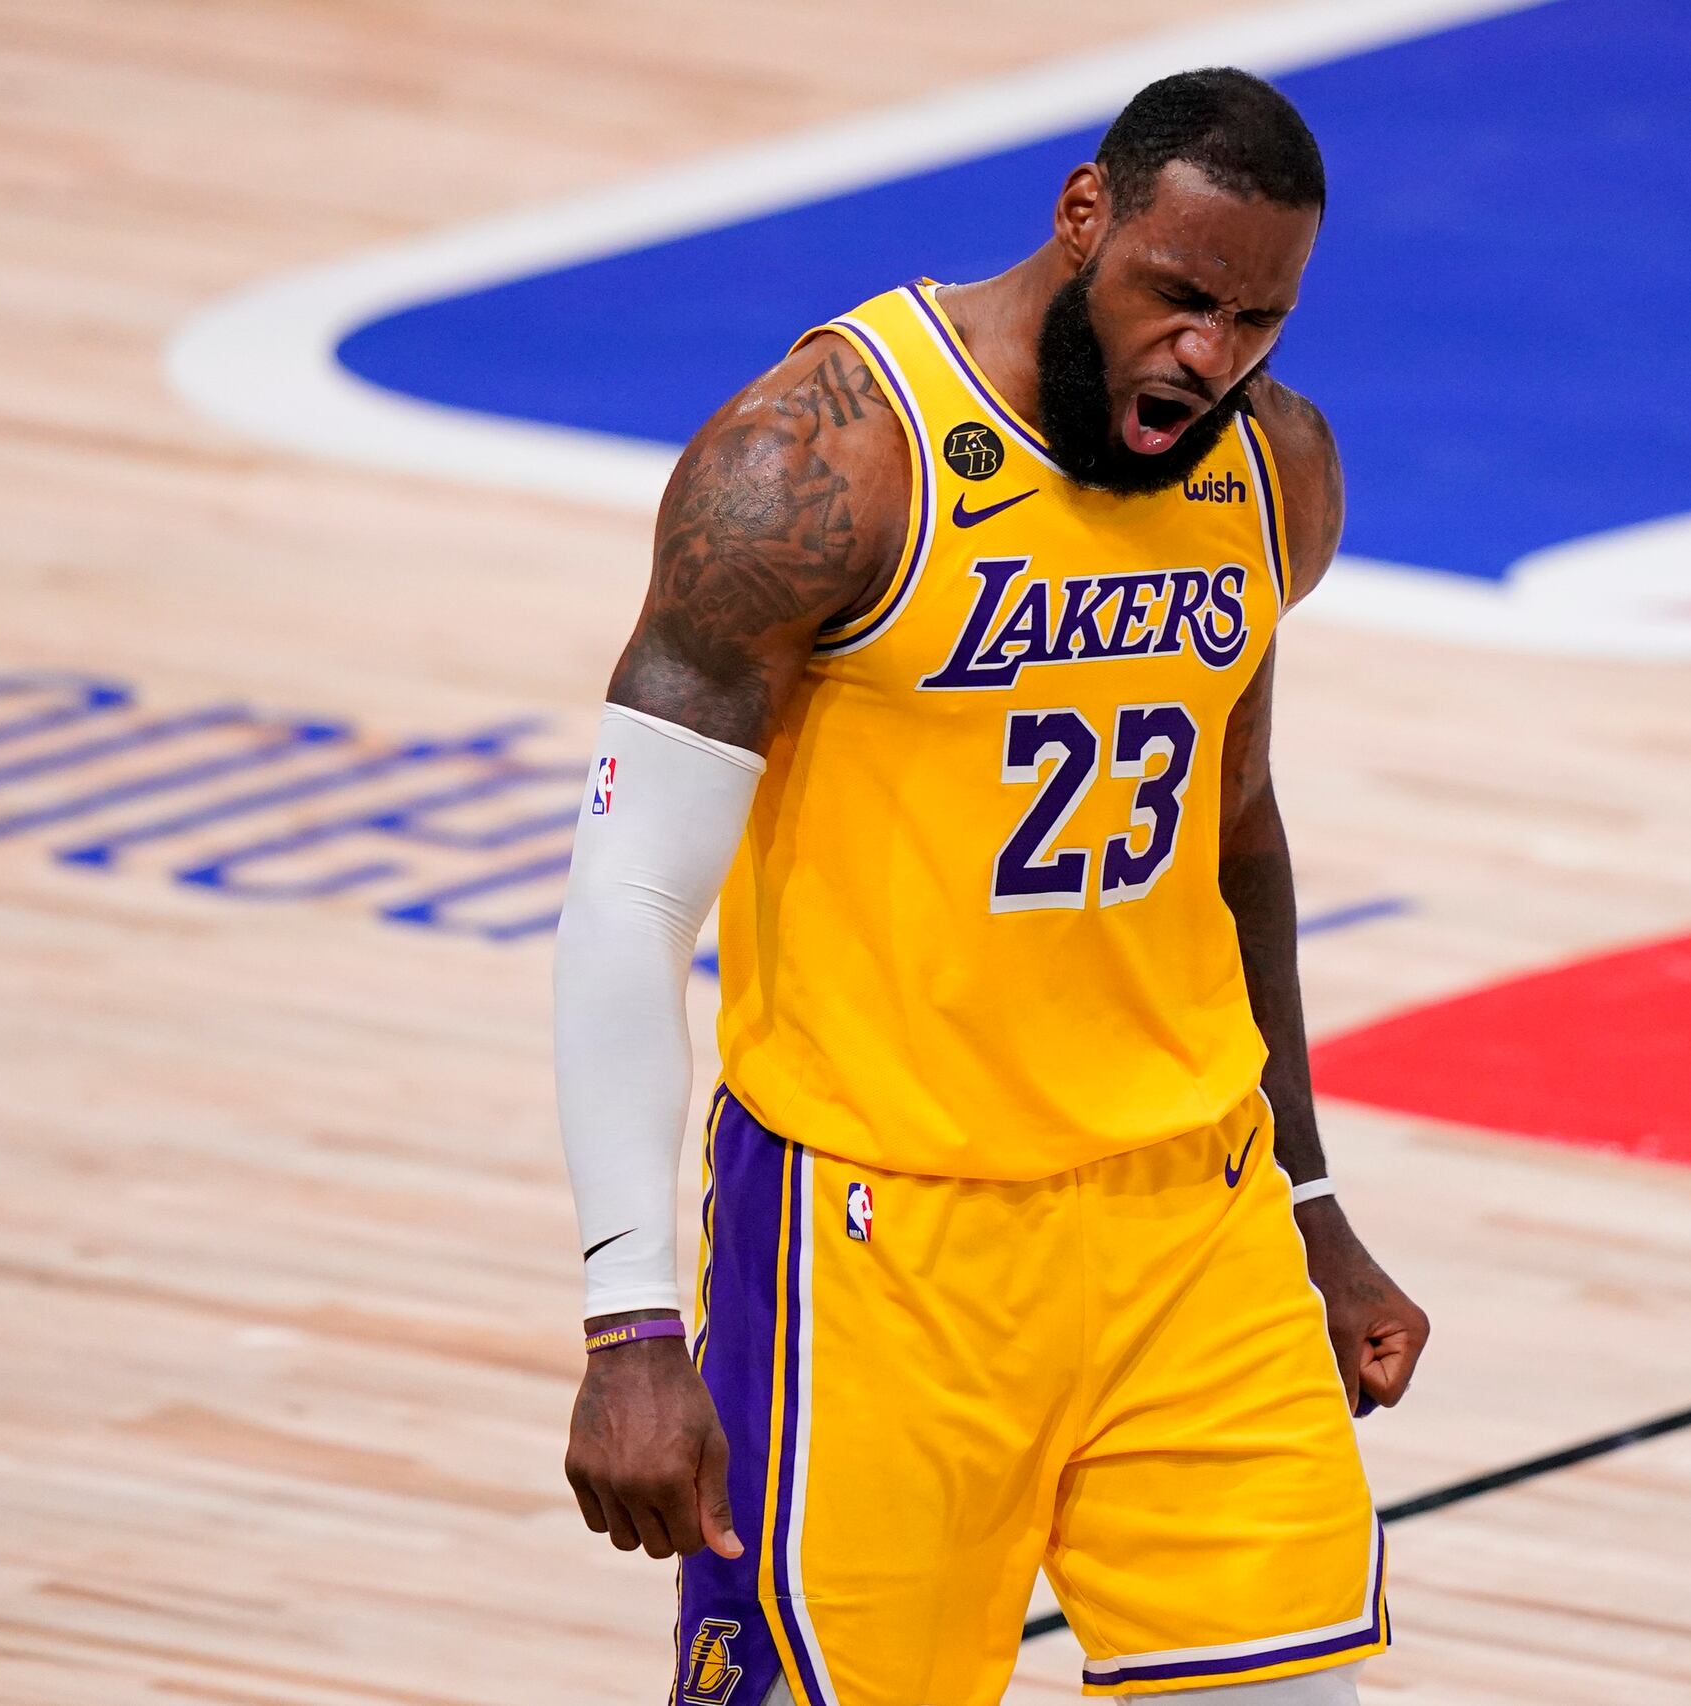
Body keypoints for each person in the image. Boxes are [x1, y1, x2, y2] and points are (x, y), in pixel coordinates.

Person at [551, 67, 1429, 1706]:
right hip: (881, 1246)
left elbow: (1234, 838)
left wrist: (1312, 1203)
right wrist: (629, 1318)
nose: (1210, 355)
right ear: (1083, 215)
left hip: (1194, 1220)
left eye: (1258, 319)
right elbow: (628, 902)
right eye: (1180, 297)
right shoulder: (818, 464)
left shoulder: (1273, 473)